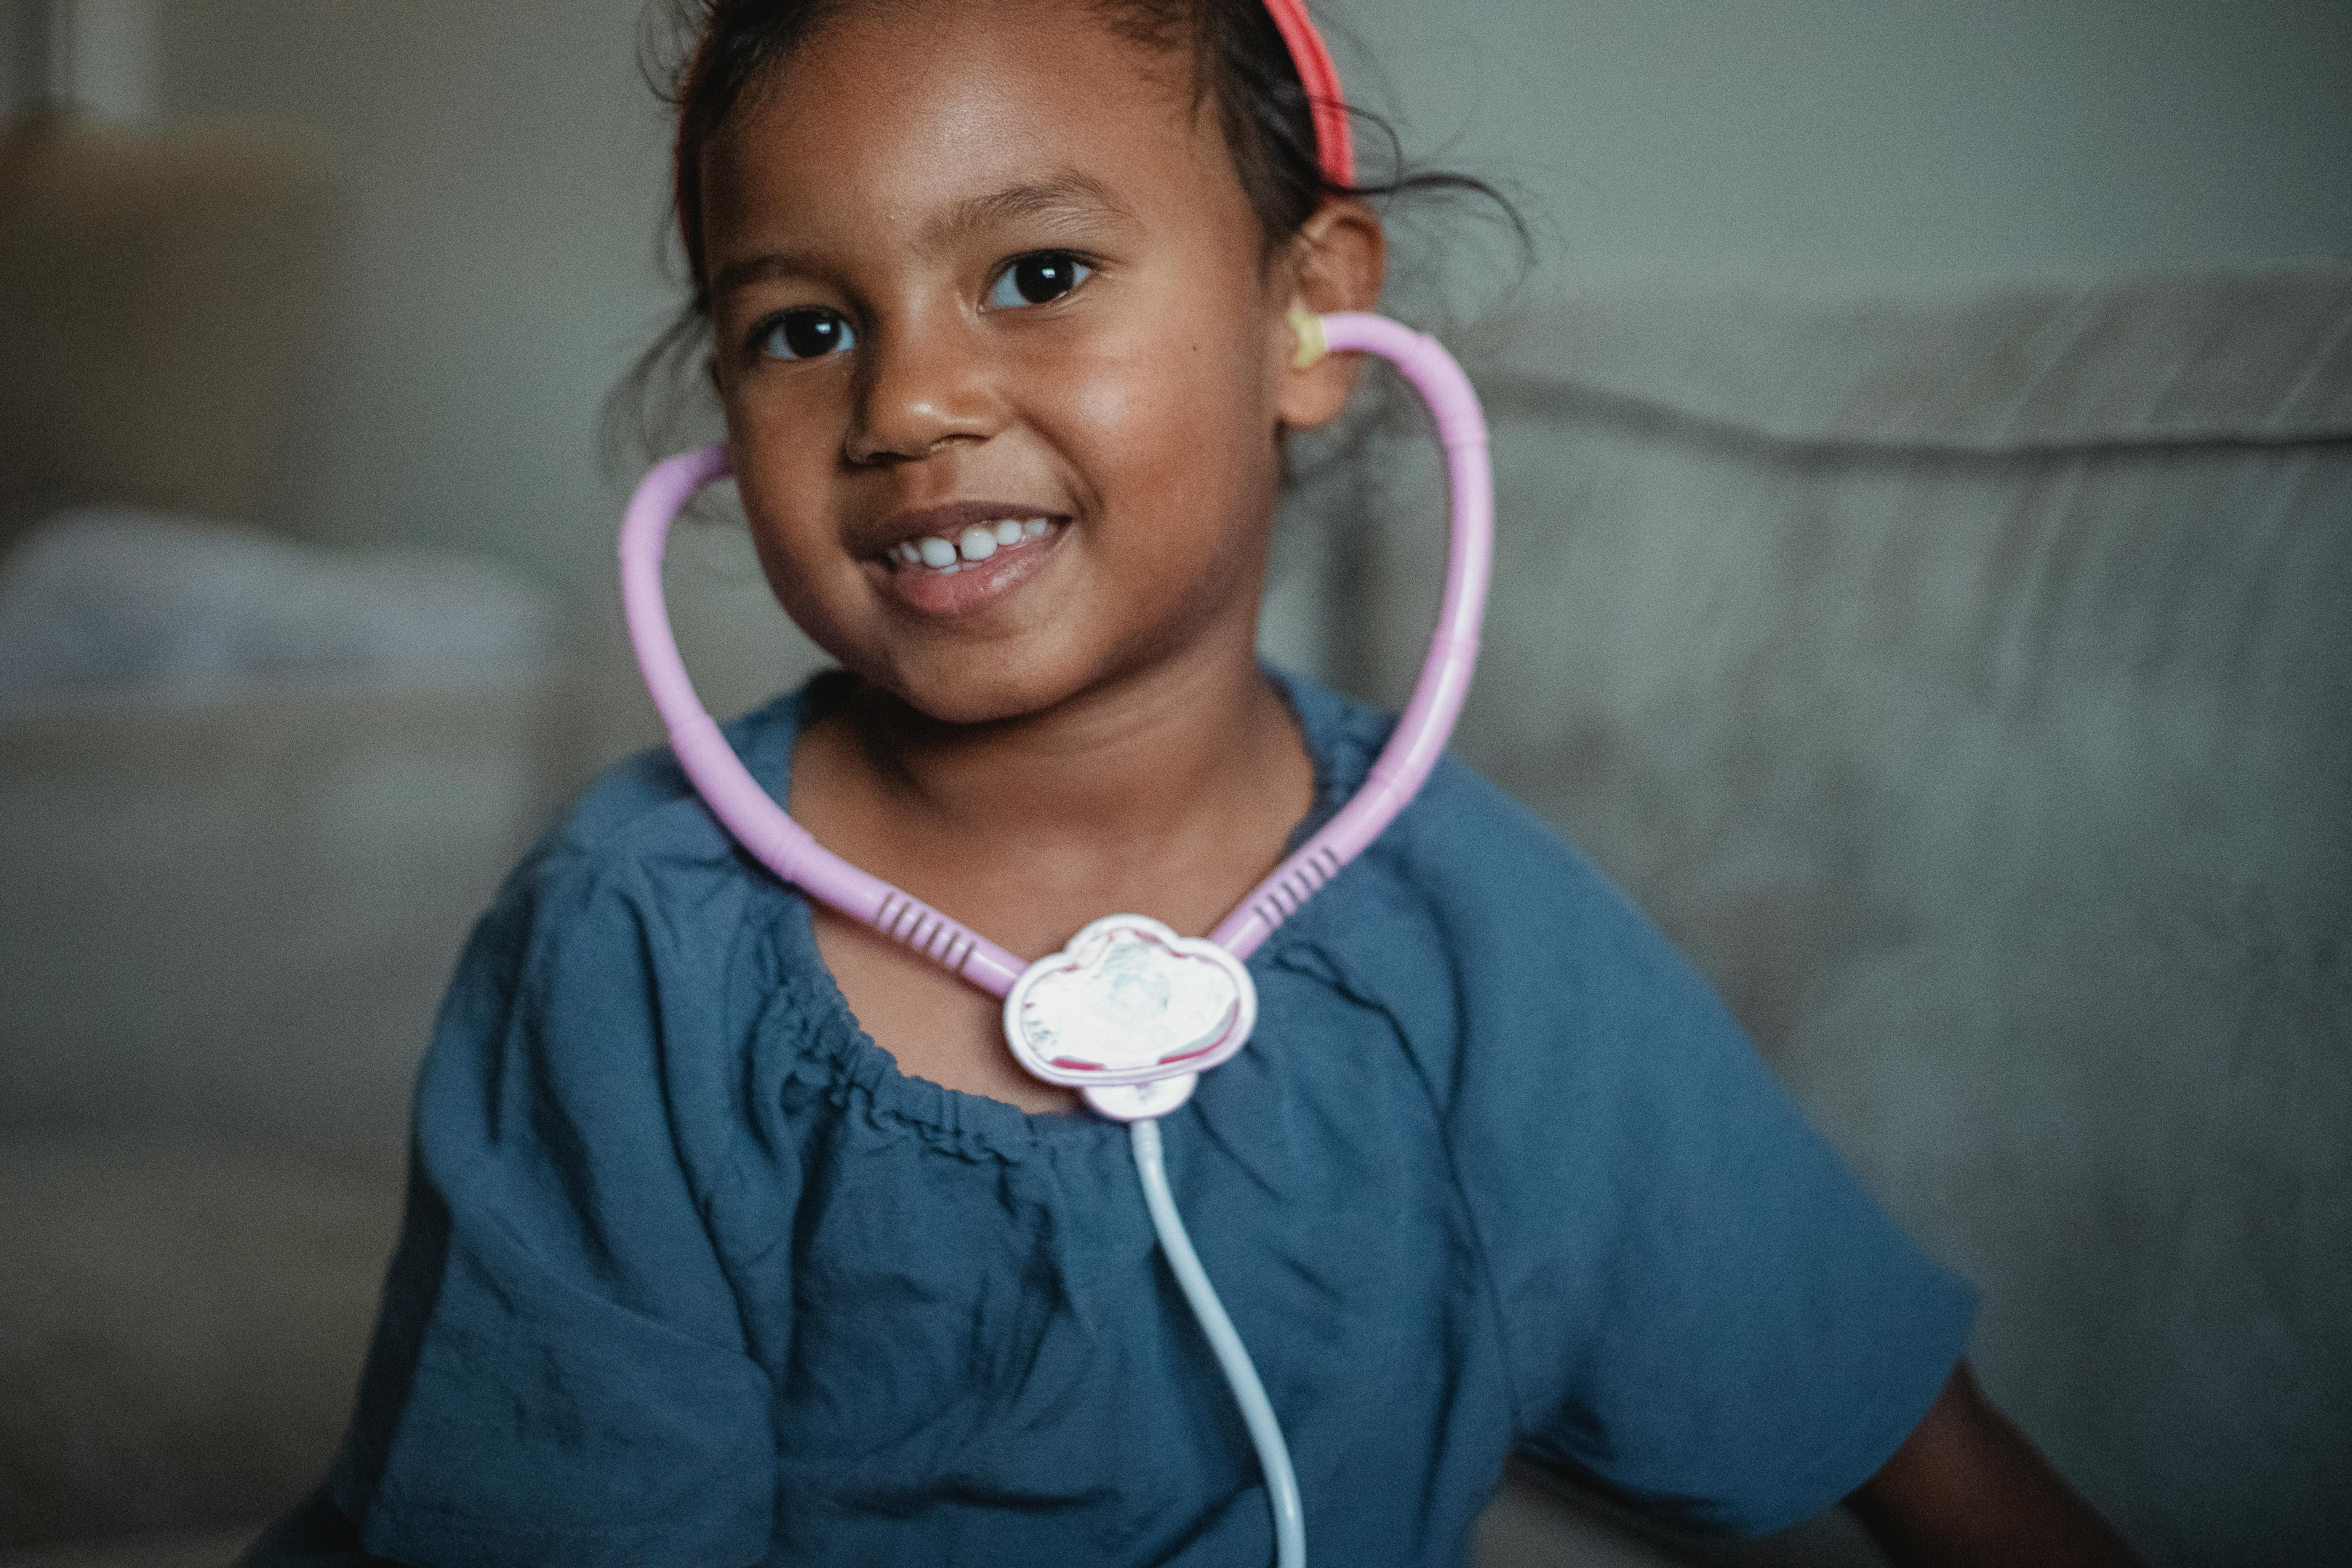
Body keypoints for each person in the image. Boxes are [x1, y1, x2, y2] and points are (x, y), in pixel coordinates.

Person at [244, 1, 2142, 1563]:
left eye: (1038, 272)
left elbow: (1924, 1447)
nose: (904, 404)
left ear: (1306, 316)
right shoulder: (635, 948)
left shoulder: (1475, 946)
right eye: (804, 327)